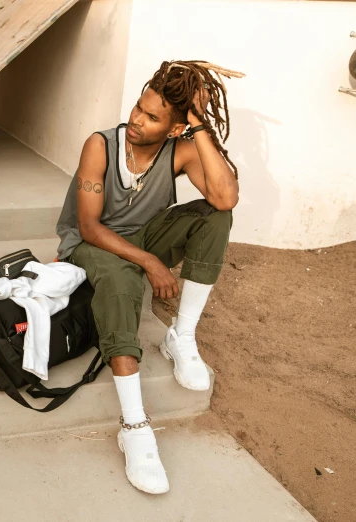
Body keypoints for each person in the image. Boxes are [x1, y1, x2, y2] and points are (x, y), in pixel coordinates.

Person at [56, 60, 243, 494]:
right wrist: (149, 262)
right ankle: (135, 427)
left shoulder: (180, 147)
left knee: (214, 217)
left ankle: (183, 335)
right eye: (139, 108)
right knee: (122, 282)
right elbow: (88, 227)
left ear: (176, 128)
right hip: (89, 244)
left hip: (141, 237)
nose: (137, 120)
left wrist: (198, 125)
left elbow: (225, 196)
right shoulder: (101, 145)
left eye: (153, 117)